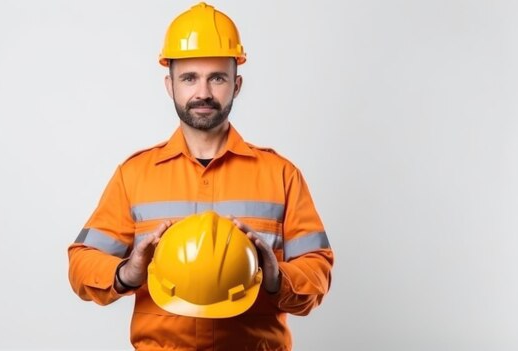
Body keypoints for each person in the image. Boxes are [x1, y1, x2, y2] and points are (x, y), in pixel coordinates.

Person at [68, 2, 334, 350]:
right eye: (190, 78)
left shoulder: (281, 175)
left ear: (237, 85)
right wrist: (126, 273)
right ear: (170, 85)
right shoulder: (134, 175)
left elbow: (317, 269)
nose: (203, 92)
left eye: (217, 78)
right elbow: (82, 262)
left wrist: (275, 278)